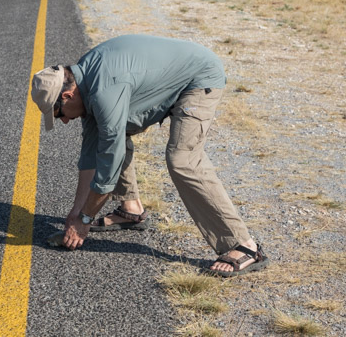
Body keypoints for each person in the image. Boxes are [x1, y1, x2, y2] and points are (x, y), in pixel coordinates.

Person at [31, 35, 269, 277]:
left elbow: (108, 169)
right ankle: (131, 210)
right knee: (111, 133)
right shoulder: (85, 80)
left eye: (58, 112)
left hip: (199, 77)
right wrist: (75, 214)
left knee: (182, 160)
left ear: (68, 95)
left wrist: (85, 218)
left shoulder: (105, 91)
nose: (64, 120)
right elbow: (91, 156)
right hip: (171, 76)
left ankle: (243, 246)